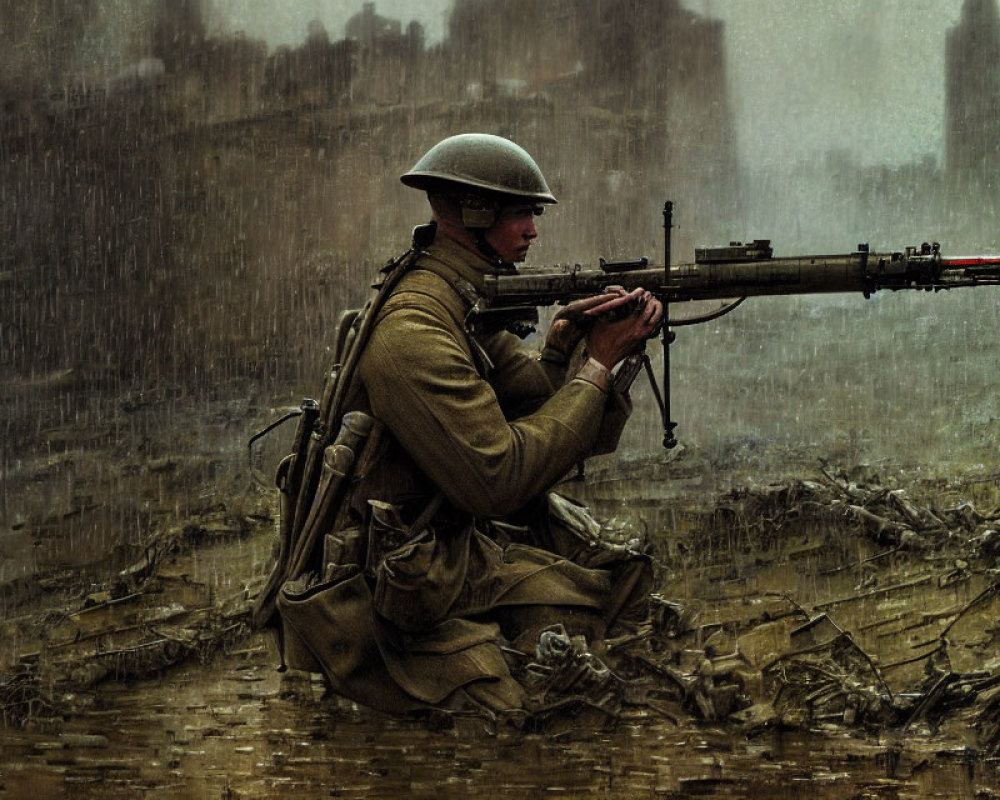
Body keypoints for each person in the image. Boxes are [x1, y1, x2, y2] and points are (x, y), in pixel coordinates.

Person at [273, 133, 664, 717]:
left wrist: (566, 351)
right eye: (522, 213)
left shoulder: (458, 299)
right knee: (542, 701)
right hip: (393, 590)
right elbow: (497, 478)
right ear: (474, 214)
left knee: (623, 575)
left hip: (439, 549)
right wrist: (600, 364)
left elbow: (534, 405)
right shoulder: (416, 330)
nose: (534, 230)